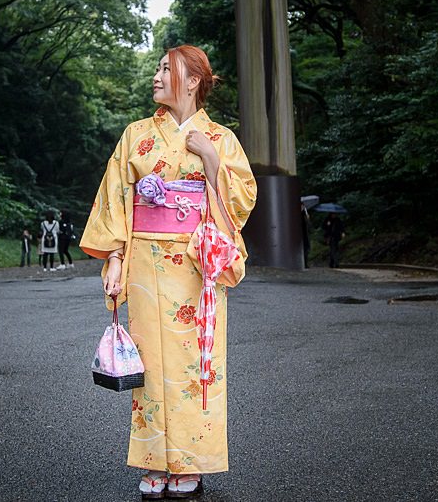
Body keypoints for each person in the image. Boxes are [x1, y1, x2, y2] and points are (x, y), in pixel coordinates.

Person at [80, 45, 257, 498]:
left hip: (196, 267)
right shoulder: (137, 134)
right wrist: (115, 258)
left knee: (196, 365)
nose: (156, 76)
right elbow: (117, 196)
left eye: (166, 70)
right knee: (150, 362)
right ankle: (153, 458)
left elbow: (241, 202)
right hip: (144, 264)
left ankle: (190, 462)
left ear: (192, 81)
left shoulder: (219, 138)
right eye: (157, 68)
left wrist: (212, 161)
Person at [300, 203, 312, 268]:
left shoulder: (305, 214)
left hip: (305, 235)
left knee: (306, 249)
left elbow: (309, 226)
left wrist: (307, 218)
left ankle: (305, 263)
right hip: (299, 235)